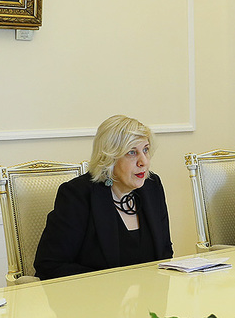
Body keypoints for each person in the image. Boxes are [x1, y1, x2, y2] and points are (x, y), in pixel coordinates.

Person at [34, 115, 174, 279]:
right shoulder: (77, 195)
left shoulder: (152, 186)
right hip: (97, 294)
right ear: (109, 158)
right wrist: (114, 284)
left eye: (146, 150)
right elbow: (50, 266)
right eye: (131, 152)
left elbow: (165, 252)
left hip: (152, 292)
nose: (143, 161)